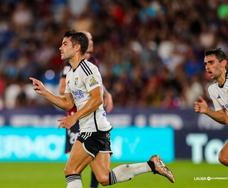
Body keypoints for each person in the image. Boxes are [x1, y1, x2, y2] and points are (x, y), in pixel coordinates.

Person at [30, 31, 175, 188]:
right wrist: (45, 92)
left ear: (77, 47)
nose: (60, 48)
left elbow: (97, 98)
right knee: (104, 178)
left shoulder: (87, 69)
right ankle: (152, 165)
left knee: (71, 170)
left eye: (65, 44)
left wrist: (75, 117)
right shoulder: (71, 74)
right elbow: (66, 103)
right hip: (96, 129)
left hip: (93, 129)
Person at [58, 31, 113, 188]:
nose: (91, 41)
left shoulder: (91, 64)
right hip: (76, 118)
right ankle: (149, 165)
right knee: (77, 168)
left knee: (73, 169)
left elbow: (96, 91)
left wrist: (107, 94)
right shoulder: (69, 68)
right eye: (88, 39)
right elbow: (64, 92)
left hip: (87, 120)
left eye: (92, 38)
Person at [194, 48, 228, 166]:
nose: (207, 66)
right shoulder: (212, 89)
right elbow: (224, 118)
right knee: (224, 157)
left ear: (223, 63)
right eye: (205, 63)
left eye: (211, 62)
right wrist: (207, 110)